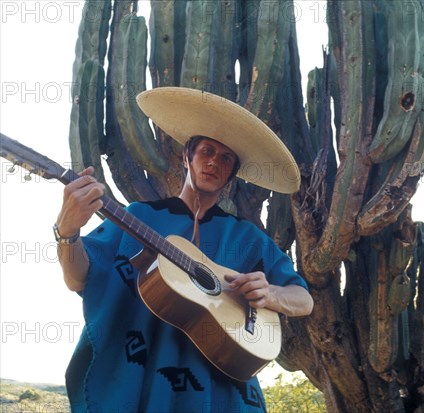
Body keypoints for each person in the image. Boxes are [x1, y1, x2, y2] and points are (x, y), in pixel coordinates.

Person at [54, 87, 313, 412]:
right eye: (207, 150)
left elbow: (303, 300)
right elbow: (79, 278)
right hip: (142, 382)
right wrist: (67, 231)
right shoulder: (138, 217)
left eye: (226, 158)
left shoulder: (248, 239)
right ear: (187, 156)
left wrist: (272, 294)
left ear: (232, 173)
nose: (214, 162)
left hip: (221, 392)